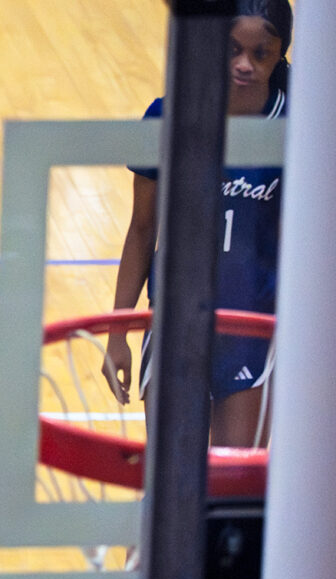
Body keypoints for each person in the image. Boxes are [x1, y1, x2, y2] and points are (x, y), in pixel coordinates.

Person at [101, 0, 291, 447]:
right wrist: (117, 333)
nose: (245, 64)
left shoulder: (295, 124)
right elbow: (142, 229)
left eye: (260, 53)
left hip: (252, 329)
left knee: (232, 498)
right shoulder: (170, 116)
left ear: (280, 51)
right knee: (171, 491)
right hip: (175, 321)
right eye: (232, 50)